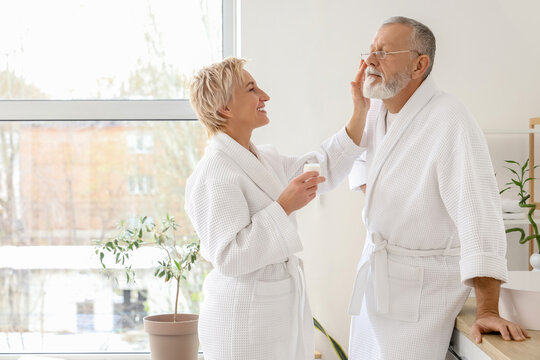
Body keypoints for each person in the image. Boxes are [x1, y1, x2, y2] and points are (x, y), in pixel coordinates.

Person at [347, 16, 530, 360]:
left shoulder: (450, 120)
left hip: (421, 291)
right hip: (378, 276)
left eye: (383, 53)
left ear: (419, 65)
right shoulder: (374, 111)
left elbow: (479, 215)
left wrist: (488, 308)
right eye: (370, 51)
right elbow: (357, 162)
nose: (369, 61)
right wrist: (384, 193)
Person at [185, 57, 366, 360]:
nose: (264, 96)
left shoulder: (263, 159)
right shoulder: (214, 173)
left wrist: (361, 111)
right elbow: (228, 256)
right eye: (252, 89)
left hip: (271, 314)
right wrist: (283, 207)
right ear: (225, 109)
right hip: (241, 321)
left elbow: (320, 167)